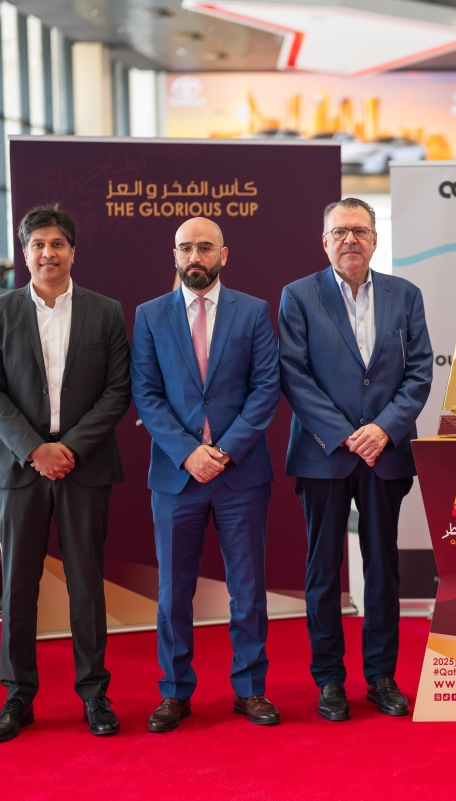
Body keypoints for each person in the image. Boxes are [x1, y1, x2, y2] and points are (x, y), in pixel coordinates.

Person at [0, 204, 131, 741]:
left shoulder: (105, 312)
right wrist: (35, 449)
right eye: (38, 244)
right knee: (19, 584)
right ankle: (18, 696)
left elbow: (117, 391)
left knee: (87, 584)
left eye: (57, 243)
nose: (48, 253)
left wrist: (69, 448)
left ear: (72, 251)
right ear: (25, 254)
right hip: (21, 469)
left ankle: (94, 693)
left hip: (83, 467)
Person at [278, 198, 433, 721]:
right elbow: (294, 374)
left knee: (384, 568)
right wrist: (347, 435)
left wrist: (382, 430)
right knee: (323, 571)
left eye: (359, 231)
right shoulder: (298, 296)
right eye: (339, 232)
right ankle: (329, 680)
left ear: (374, 239)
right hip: (324, 454)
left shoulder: (404, 295)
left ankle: (381, 676)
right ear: (324, 241)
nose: (350, 240)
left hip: (384, 454)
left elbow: (419, 375)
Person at [130, 217, 282, 731]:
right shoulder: (150, 316)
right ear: (174, 255)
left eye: (205, 247)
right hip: (177, 476)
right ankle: (174, 693)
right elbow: (146, 395)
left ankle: (251, 690)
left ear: (224, 254)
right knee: (174, 592)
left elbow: (266, 389)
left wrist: (224, 450)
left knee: (248, 588)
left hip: (240, 474)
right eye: (185, 248)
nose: (195, 256)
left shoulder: (254, 312)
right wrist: (189, 453)